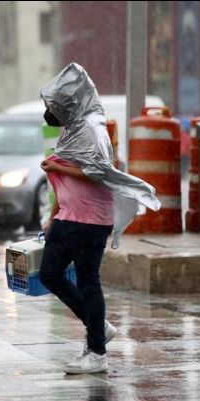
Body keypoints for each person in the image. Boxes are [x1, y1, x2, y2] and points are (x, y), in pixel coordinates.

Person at [38, 63, 160, 374]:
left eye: (55, 105)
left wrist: (57, 168)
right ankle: (98, 326)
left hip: (90, 219)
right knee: (50, 273)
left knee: (88, 279)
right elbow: (65, 179)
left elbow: (97, 173)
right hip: (69, 216)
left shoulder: (92, 130)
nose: (50, 111)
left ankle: (97, 352)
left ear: (71, 103)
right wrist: (53, 214)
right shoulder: (73, 128)